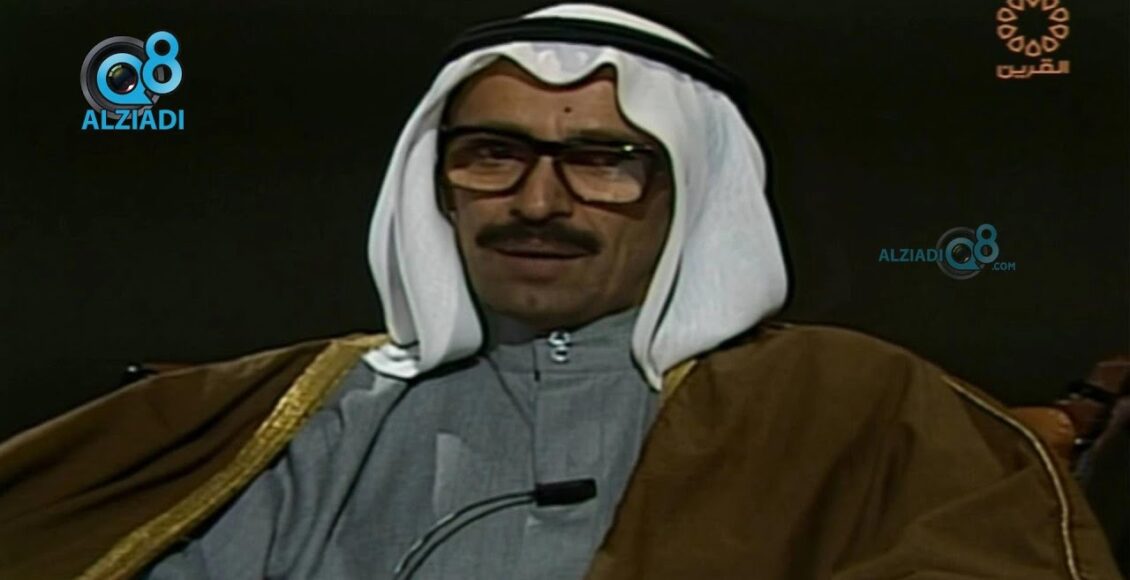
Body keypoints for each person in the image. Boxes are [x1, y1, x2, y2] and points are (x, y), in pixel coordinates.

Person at [0, 4, 1121, 579]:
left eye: (603, 159)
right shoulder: (304, 415)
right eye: (492, 153)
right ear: (435, 184)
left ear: (689, 194)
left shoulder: (854, 405)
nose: (538, 201)